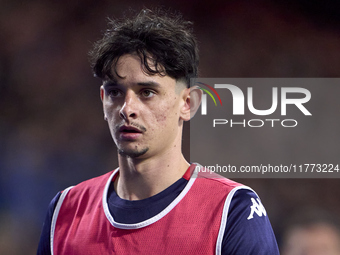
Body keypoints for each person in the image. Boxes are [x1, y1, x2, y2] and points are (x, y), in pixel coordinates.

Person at [37, 8, 279, 254]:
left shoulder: (232, 209)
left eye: (147, 92)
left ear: (188, 103)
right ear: (102, 99)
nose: (127, 108)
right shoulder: (64, 211)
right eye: (115, 92)